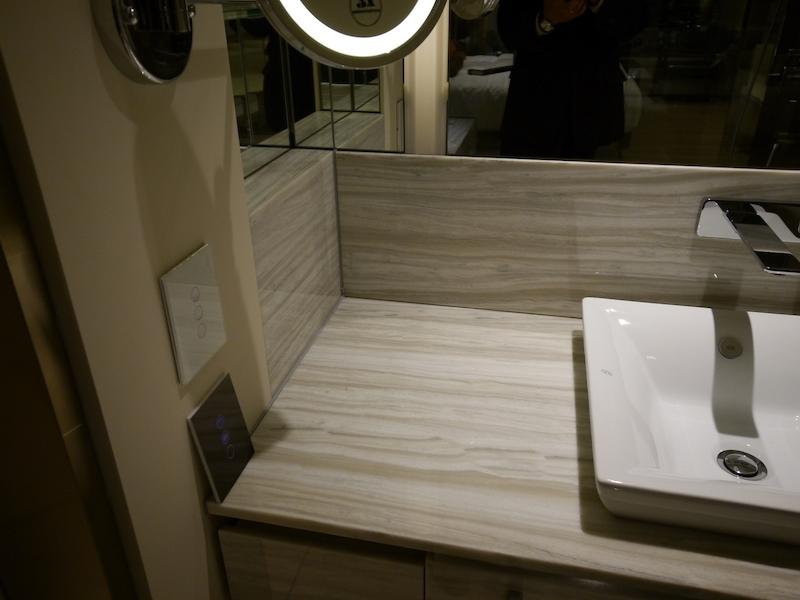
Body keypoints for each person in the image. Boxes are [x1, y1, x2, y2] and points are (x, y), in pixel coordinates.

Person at [498, 0, 647, 159]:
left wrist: (597, 3)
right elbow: (507, 29)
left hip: (596, 98)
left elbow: (636, 21)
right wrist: (545, 20)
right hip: (534, 98)